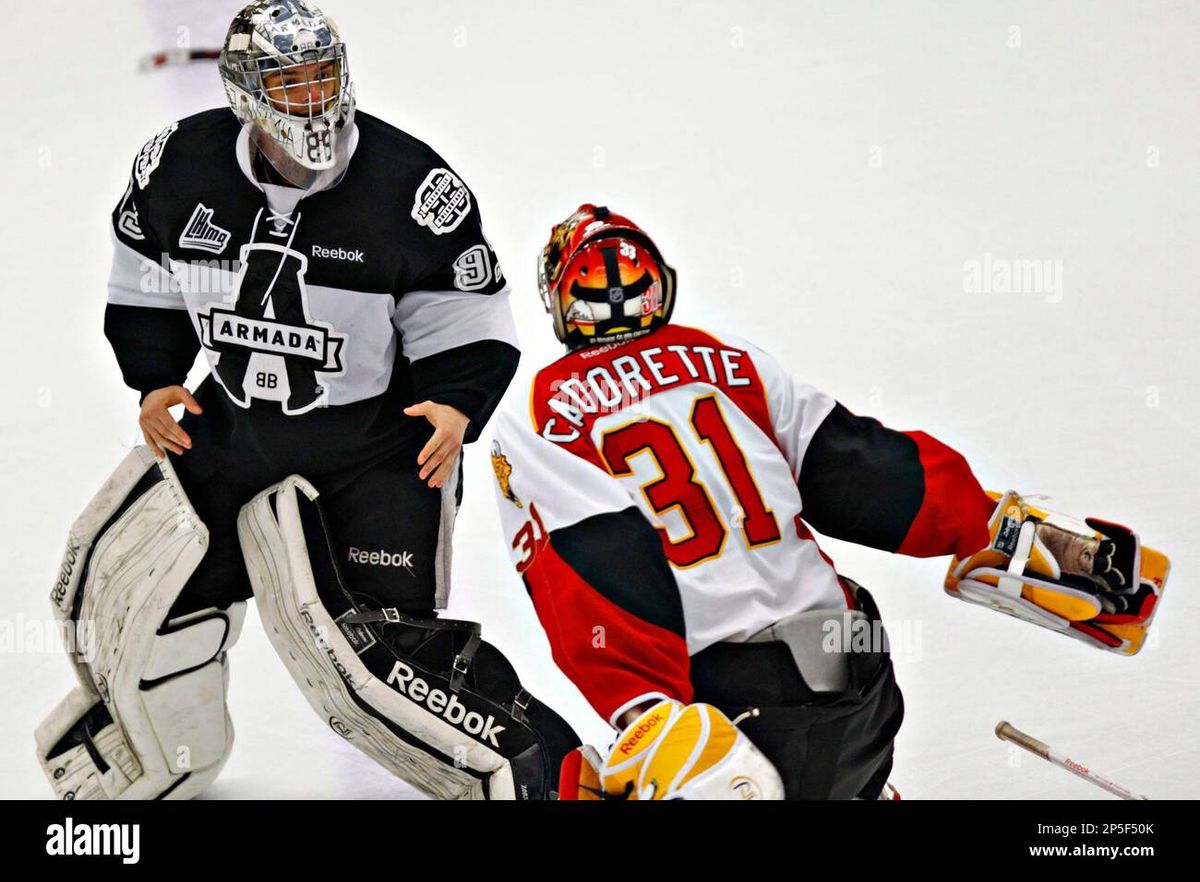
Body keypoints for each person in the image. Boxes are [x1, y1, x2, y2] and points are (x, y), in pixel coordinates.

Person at [35, 0, 578, 801]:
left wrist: (457, 402)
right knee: (131, 608)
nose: (313, 97)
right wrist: (154, 375)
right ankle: (166, 757)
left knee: (384, 657)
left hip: (381, 450)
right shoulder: (178, 167)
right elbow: (142, 269)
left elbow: (466, 313)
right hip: (233, 432)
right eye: (289, 81)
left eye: (323, 74)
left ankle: (544, 773)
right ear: (245, 92)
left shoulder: (413, 186)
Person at [489, 203, 1168, 800]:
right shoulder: (732, 361)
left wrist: (645, 710)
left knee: (575, 780)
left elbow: (595, 566)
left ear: (559, 301)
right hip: (861, 680)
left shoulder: (538, 413)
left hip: (735, 717)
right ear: (657, 287)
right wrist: (995, 525)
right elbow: (865, 471)